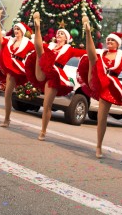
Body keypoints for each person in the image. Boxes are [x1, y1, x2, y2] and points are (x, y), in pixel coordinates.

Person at [78, 15, 122, 158]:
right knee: (91, 56)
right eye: (108, 39)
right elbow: (91, 56)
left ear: (118, 44)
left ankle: (98, 145)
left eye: (112, 40)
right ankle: (88, 32)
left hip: (110, 85)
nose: (109, 41)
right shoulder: (100, 54)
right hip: (97, 80)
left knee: (102, 118)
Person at [27, 12, 86, 141]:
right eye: (58, 33)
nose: (59, 34)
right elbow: (38, 47)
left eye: (62, 33)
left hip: (54, 74)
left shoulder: (69, 49)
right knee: (39, 49)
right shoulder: (50, 46)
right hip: (42, 70)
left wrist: (100, 54)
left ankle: (43, 130)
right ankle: (37, 26)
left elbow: (85, 53)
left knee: (46, 104)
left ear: (66, 38)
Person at [0, 10, 35, 127]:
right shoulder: (11, 41)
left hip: (17, 69)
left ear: (23, 31)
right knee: (7, 95)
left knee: (7, 95)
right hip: (8, 64)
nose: (16, 31)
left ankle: (7, 119)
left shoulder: (28, 43)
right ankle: (7, 118)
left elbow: (39, 50)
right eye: (15, 29)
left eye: (18, 29)